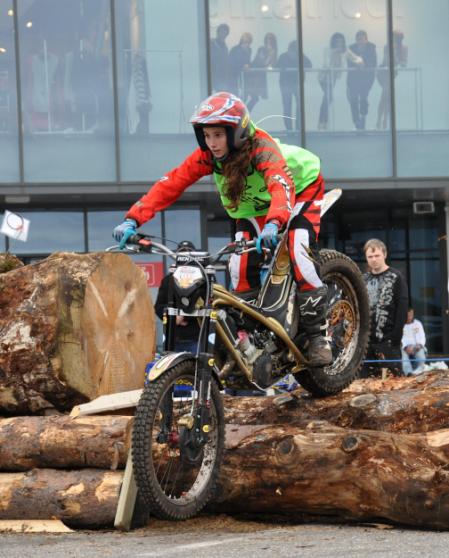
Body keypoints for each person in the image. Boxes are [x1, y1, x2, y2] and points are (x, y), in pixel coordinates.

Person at [113, 91, 332, 366]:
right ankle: (251, 341)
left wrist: (275, 223)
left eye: (218, 135)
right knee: (238, 269)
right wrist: (133, 219)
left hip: (300, 190)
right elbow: (173, 182)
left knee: (299, 252)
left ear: (236, 132)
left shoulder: (262, 149)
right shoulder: (208, 157)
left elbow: (280, 185)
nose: (211, 143)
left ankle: (318, 336)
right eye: (206, 135)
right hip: (254, 208)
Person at [362, 238, 408, 377]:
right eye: (370, 256)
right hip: (366, 343)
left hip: (388, 341)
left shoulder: (396, 277)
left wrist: (395, 337)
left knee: (393, 385)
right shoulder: (363, 279)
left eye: (377, 256)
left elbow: (402, 308)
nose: (374, 259)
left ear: (385, 254)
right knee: (365, 386)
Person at [154, 240, 200, 352]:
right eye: (182, 253)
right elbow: (158, 306)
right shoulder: (168, 280)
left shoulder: (202, 279)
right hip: (172, 339)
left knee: (196, 368)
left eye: (188, 253)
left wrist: (184, 316)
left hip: (197, 339)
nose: (185, 257)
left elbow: (207, 303)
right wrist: (172, 318)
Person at [317, 32, 363, 131]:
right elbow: (326, 64)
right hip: (324, 77)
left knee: (327, 98)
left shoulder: (345, 51)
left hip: (334, 78)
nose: (339, 43)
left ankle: (323, 122)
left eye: (341, 41)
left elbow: (356, 58)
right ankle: (322, 123)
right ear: (334, 42)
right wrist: (335, 53)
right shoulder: (328, 49)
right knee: (327, 98)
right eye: (337, 41)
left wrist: (361, 62)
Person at [376, 30, 408, 130]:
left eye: (396, 37)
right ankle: (383, 120)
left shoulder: (404, 48)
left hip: (392, 73)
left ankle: (381, 119)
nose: (394, 39)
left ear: (400, 38)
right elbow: (385, 60)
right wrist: (391, 52)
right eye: (392, 37)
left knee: (385, 96)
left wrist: (396, 57)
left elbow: (404, 63)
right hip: (383, 72)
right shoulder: (387, 46)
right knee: (386, 94)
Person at [277, 40, 312, 131]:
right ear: (290, 49)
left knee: (300, 105)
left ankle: (298, 127)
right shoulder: (283, 56)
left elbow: (309, 65)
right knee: (287, 106)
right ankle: (289, 129)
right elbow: (278, 66)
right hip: (285, 84)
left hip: (297, 84)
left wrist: (299, 57)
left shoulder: (301, 56)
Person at [346, 30, 377, 130]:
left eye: (362, 39)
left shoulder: (371, 47)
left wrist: (365, 65)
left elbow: (374, 62)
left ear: (366, 39)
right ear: (356, 40)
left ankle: (363, 116)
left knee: (363, 98)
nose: (360, 41)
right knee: (353, 99)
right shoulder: (351, 48)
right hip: (354, 78)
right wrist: (358, 64)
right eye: (358, 39)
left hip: (366, 78)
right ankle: (356, 121)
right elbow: (349, 62)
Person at [244, 32, 278, 112]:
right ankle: (241, 115)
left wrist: (271, 59)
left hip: (260, 76)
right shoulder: (262, 49)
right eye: (267, 38)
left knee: (255, 98)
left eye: (270, 39)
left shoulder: (274, 51)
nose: (268, 40)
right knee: (250, 96)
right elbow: (260, 61)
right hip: (253, 74)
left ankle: (245, 115)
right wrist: (268, 56)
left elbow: (273, 63)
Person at [401, 308, 427, 376]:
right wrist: (406, 347)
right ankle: (408, 373)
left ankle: (418, 371)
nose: (410, 317)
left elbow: (422, 336)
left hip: (416, 346)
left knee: (421, 353)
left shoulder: (418, 323)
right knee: (404, 355)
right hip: (406, 347)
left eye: (411, 315)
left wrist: (419, 345)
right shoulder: (401, 325)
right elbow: (401, 339)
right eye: (408, 315)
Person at [229, 32, 253, 97]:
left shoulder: (249, 50)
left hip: (244, 77)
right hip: (234, 77)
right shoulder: (235, 49)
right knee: (235, 95)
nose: (246, 44)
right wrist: (242, 65)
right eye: (245, 42)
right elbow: (231, 62)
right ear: (241, 41)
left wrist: (248, 65)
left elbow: (248, 62)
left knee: (245, 96)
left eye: (248, 42)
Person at [210, 23, 231, 93]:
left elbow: (226, 61)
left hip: (224, 77)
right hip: (215, 76)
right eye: (222, 32)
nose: (223, 34)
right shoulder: (212, 43)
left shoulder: (225, 46)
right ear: (218, 32)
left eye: (225, 32)